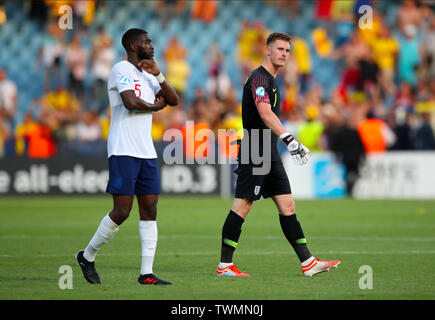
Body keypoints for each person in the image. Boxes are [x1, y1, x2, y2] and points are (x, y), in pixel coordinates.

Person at [216, 32, 340, 278]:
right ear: (267, 50)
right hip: (255, 149)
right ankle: (225, 265)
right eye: (280, 49)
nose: (284, 54)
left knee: (287, 205)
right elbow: (264, 113)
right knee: (242, 206)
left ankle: (308, 262)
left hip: (268, 149)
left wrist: (281, 140)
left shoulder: (270, 79)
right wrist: (290, 139)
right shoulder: (260, 78)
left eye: (287, 50)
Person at [76, 28, 179, 285]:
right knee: (122, 211)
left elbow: (174, 100)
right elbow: (130, 103)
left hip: (146, 151)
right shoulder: (120, 70)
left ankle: (146, 273)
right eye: (147, 41)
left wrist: (159, 75)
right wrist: (156, 105)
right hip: (123, 149)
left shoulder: (148, 75)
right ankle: (87, 256)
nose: (151, 45)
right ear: (133, 46)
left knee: (150, 208)